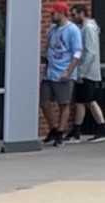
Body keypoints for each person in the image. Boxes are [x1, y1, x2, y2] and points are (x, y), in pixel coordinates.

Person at [41, 2, 84, 147]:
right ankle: (53, 129)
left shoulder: (72, 30)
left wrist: (69, 71)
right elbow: (47, 47)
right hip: (50, 72)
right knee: (45, 102)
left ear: (61, 13)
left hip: (64, 71)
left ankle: (60, 132)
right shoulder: (52, 29)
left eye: (53, 13)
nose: (51, 15)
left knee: (63, 104)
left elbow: (77, 52)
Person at [68, 4, 105, 142]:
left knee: (87, 100)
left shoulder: (88, 29)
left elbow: (90, 52)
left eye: (75, 14)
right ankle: (77, 130)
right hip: (86, 70)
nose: (73, 17)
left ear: (82, 13)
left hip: (87, 71)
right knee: (82, 101)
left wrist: (81, 72)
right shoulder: (84, 28)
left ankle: (100, 128)